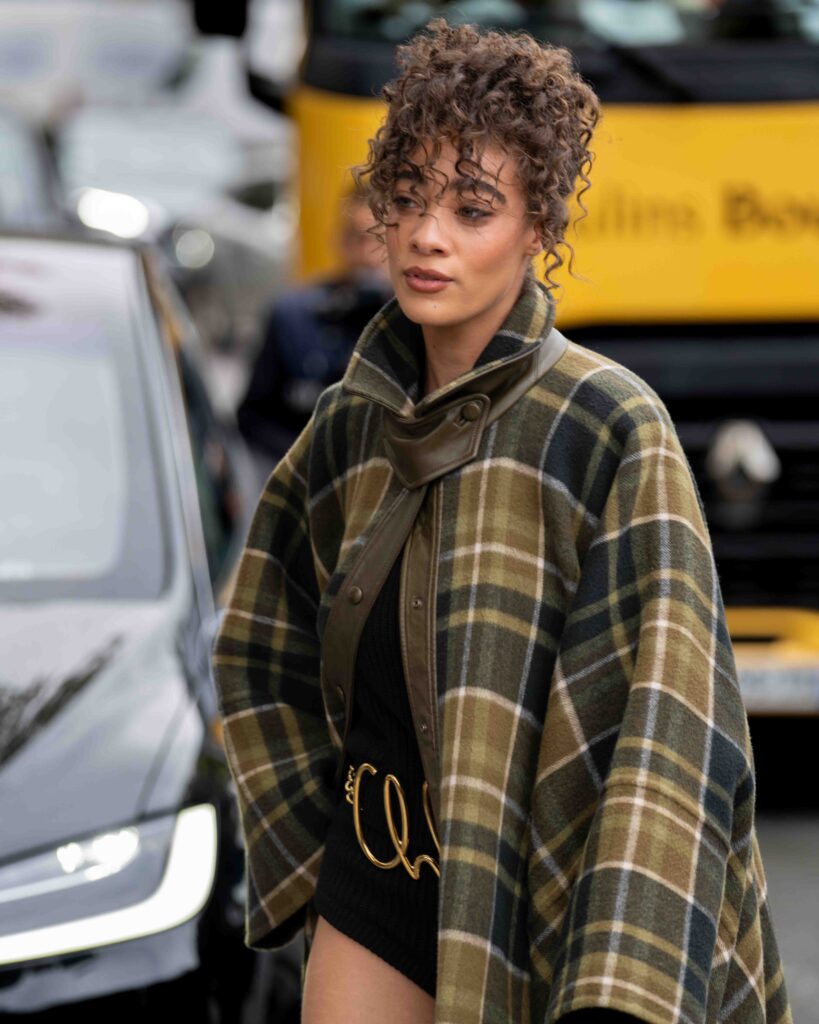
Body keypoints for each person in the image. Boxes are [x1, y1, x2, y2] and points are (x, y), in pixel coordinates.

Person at [212, 19, 791, 1024]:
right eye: (408, 199)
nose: (428, 235)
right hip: (377, 884)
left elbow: (675, 729)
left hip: (548, 904)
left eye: (473, 209)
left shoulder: (605, 425)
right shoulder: (352, 423)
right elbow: (262, 648)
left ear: (537, 230)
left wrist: (619, 984)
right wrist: (308, 859)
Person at [236, 184, 392, 472]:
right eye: (357, 238)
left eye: (380, 240)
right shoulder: (294, 316)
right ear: (339, 240)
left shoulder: (415, 324)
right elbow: (253, 417)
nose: (368, 255)